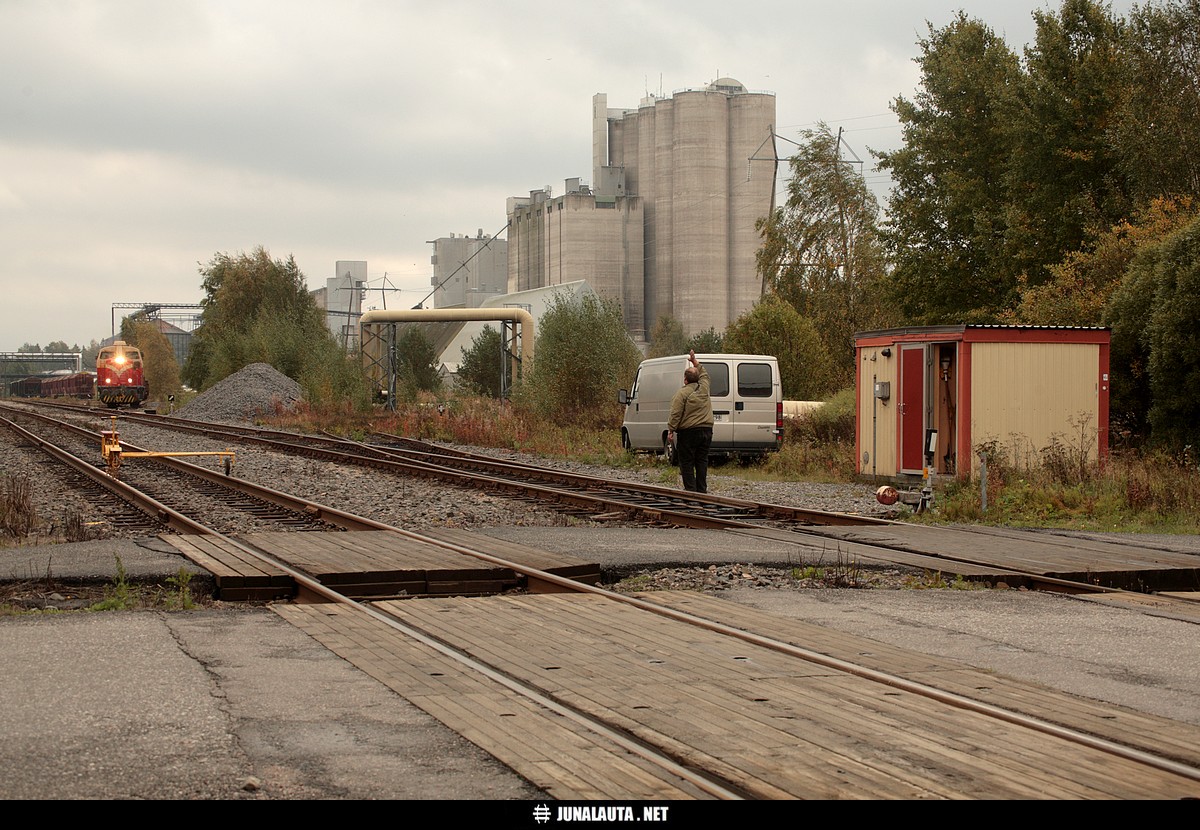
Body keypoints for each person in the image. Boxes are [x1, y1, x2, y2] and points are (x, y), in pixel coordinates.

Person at [667, 349, 713, 493]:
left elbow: (676, 413)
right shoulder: (704, 387)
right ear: (698, 379)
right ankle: (702, 490)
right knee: (702, 461)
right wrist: (695, 361)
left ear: (685, 380)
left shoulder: (682, 393)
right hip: (706, 431)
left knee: (686, 462)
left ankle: (691, 491)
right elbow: (704, 373)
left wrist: (671, 429)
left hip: (688, 433)